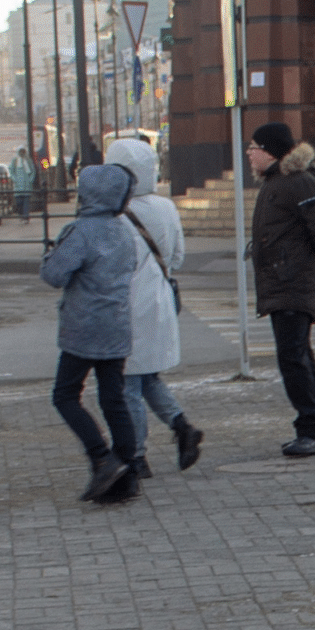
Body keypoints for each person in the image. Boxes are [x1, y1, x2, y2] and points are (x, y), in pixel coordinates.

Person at [41, 163, 141, 503]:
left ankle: (101, 458)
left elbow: (54, 275)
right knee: (114, 398)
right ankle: (127, 469)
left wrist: (50, 254)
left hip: (84, 327)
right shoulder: (123, 229)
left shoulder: (81, 231)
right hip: (116, 323)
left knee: (65, 395)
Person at [247, 122, 315, 458]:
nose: (249, 153)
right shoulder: (278, 182)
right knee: (299, 356)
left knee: (293, 358)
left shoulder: (296, 181)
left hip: (290, 282)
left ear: (271, 151)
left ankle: (310, 431)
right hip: (283, 281)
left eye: (254, 147)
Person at [106, 137, 204, 476]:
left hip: (126, 307)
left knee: (128, 384)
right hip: (159, 302)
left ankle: (136, 455)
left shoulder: (114, 213)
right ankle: (181, 427)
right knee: (147, 377)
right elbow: (176, 257)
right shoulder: (166, 208)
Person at [10, 148, 37, 223]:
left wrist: (30, 180)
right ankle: (21, 215)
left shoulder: (28, 160)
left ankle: (26, 217)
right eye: (20, 151)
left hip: (26, 185)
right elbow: (11, 171)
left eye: (23, 151)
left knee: (26, 202)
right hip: (18, 185)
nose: (22, 153)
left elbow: (32, 171)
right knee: (19, 202)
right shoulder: (15, 160)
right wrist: (15, 179)